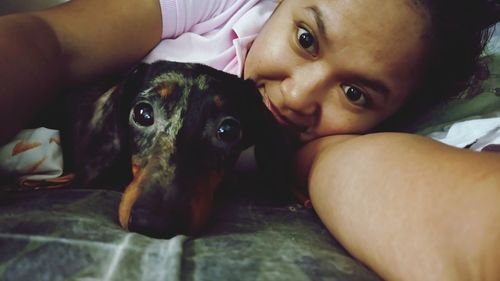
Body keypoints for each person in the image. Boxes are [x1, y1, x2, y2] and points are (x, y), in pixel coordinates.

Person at [0, 0, 498, 280]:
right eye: (306, 38)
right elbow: (50, 41)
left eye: (356, 92)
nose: (298, 96)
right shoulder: (219, 5)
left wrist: (315, 158)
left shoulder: (335, 145)